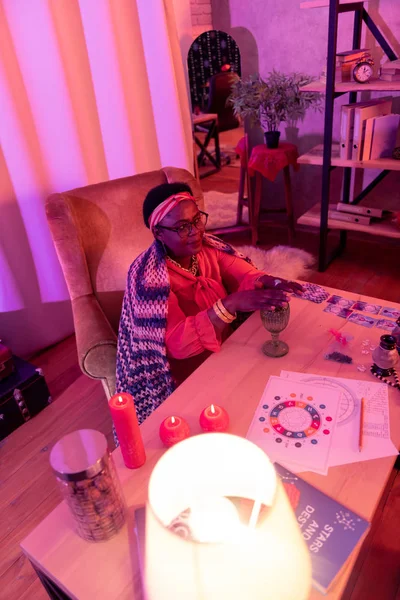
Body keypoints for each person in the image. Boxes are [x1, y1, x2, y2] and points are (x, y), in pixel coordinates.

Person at [116, 182, 303, 423]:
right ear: (158, 233)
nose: (195, 231)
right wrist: (230, 304)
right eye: (182, 227)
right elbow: (177, 343)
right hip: (182, 370)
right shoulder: (148, 278)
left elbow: (243, 273)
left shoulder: (208, 248)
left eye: (196, 220)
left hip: (225, 343)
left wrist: (266, 280)